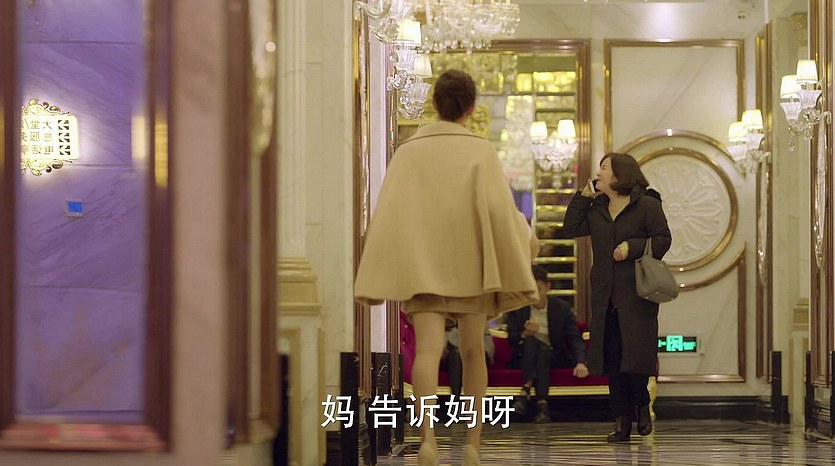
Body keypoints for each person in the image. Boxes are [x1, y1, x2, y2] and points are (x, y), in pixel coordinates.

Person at [353, 69, 539, 466]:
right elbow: (500, 211)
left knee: (427, 351)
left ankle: (427, 441)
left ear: (434, 103)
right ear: (471, 108)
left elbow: (391, 211)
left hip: (424, 264)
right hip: (472, 265)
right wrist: (524, 243)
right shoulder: (481, 151)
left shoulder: (409, 152)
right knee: (473, 353)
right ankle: (472, 445)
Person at [562, 152, 671, 442]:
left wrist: (630, 247)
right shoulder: (596, 208)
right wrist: (583, 197)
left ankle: (641, 405)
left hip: (636, 294)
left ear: (620, 175)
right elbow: (570, 228)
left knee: (635, 357)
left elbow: (663, 240)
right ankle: (621, 422)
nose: (598, 173)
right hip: (604, 294)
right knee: (612, 360)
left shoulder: (647, 204)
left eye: (604, 168)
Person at [506, 264, 588, 423]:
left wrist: (580, 362)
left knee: (544, 350)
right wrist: (525, 334)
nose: (534, 295)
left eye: (538, 289)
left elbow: (575, 338)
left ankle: (525, 391)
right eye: (530, 291)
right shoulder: (518, 308)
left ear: (548, 287)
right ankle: (542, 405)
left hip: (555, 356)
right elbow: (511, 340)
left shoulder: (561, 308)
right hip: (524, 356)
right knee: (533, 343)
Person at [441, 324, 495, 398]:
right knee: (457, 355)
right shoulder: (445, 322)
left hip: (477, 352)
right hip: (449, 356)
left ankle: (474, 402)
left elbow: (488, 342)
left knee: (474, 354)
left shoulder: (478, 320)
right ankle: (456, 399)